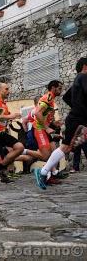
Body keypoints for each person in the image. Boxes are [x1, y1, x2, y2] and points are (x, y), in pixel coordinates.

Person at [35, 58, 87, 189]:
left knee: (65, 148)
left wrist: (77, 107)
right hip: (78, 120)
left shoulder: (77, 79)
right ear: (85, 66)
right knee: (64, 148)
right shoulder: (83, 77)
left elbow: (66, 97)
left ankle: (43, 172)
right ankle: (43, 172)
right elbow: (37, 113)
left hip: (76, 118)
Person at [0, 81, 24, 183]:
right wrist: (8, 116)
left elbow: (3, 117)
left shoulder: (3, 103)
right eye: (6, 89)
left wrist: (14, 116)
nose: (9, 91)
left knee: (19, 147)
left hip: (1, 132)